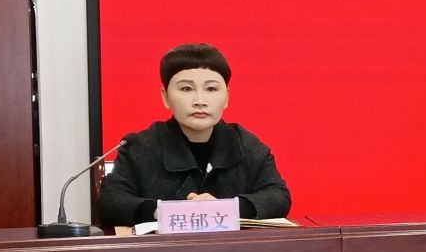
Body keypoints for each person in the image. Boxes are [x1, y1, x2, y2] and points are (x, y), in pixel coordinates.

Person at [96, 43, 292, 226]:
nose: (200, 100)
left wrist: (227, 208)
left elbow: (279, 196)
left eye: (211, 89)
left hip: (231, 251)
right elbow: (110, 201)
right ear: (165, 97)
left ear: (227, 97)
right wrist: (162, 211)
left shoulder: (246, 145)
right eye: (186, 89)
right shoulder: (138, 147)